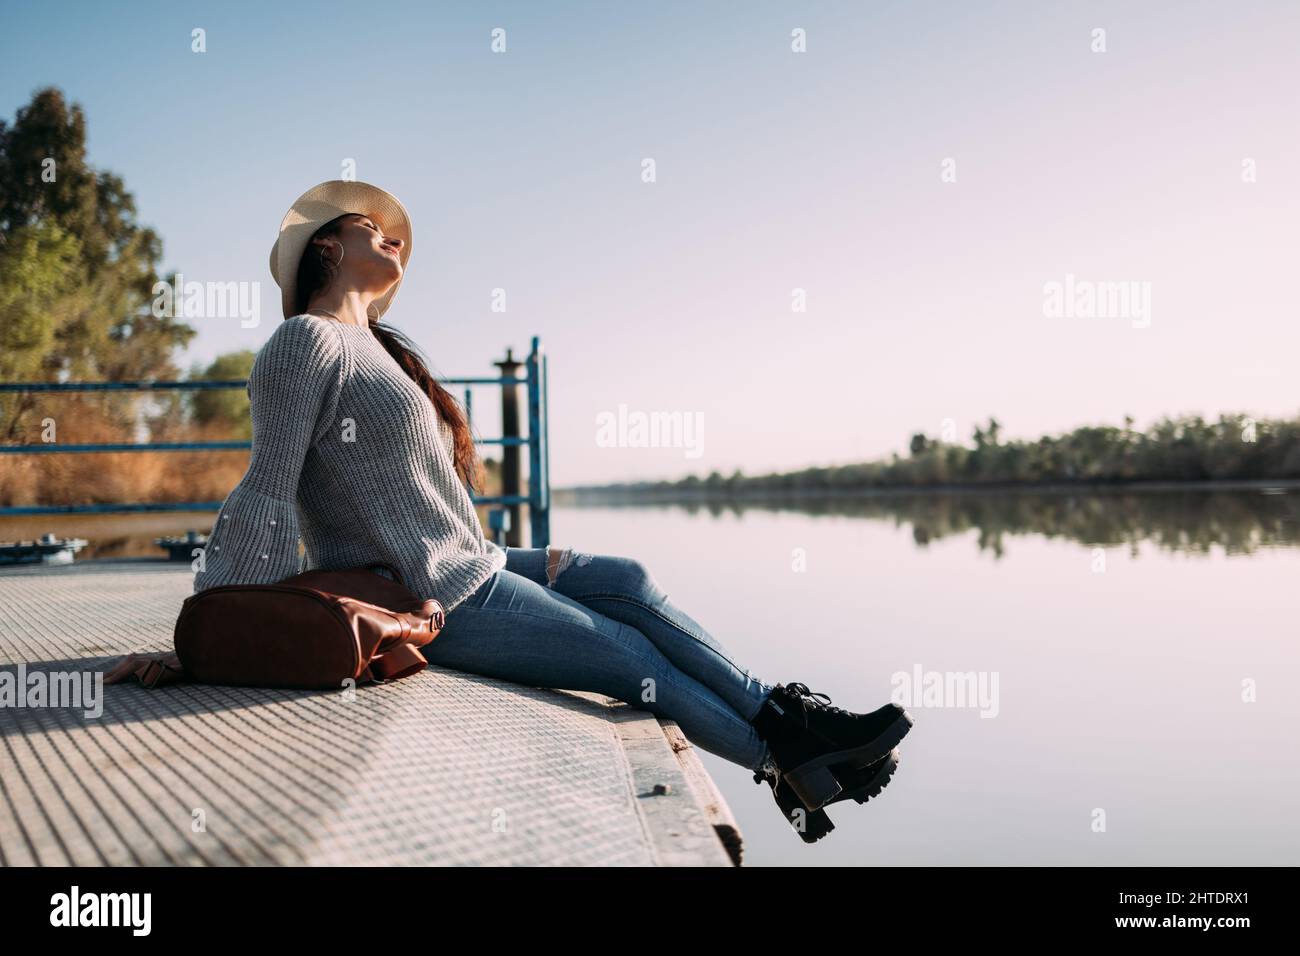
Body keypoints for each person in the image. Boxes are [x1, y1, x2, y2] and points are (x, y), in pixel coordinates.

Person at [192, 180, 914, 843]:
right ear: (326, 245)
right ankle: (785, 763)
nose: (392, 235)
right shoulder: (304, 341)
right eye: (367, 225)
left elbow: (420, 497)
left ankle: (793, 719)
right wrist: (218, 623)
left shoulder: (376, 350)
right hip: (430, 595)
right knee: (627, 656)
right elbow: (268, 488)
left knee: (627, 579)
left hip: (478, 562)